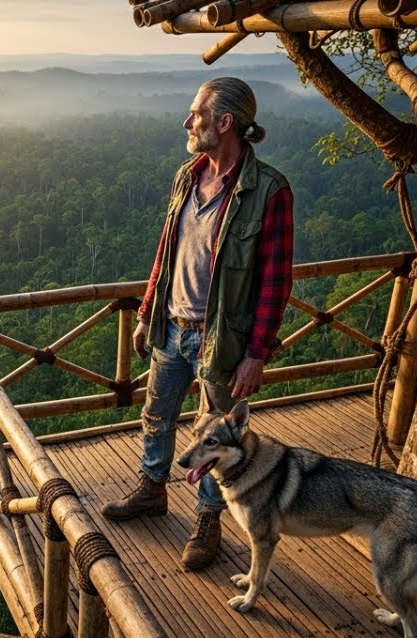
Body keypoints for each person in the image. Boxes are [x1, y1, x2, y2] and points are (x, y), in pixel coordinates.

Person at [101, 77, 294, 571]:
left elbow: (275, 281)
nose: (188, 122)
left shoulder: (268, 191)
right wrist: (147, 312)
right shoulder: (188, 175)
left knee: (212, 436)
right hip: (171, 326)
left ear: (225, 123)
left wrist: (256, 354)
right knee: (157, 416)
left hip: (221, 341)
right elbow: (167, 254)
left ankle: (208, 519)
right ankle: (152, 490)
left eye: (196, 115)